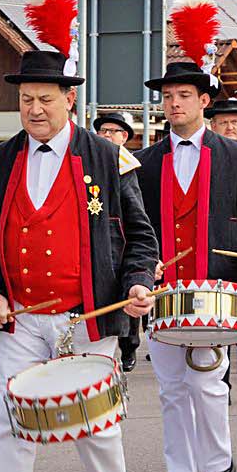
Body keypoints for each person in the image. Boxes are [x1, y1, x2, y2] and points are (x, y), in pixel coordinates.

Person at [0, 0, 159, 472]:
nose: (35, 109)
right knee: (7, 425)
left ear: (69, 100)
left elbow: (140, 238)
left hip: (84, 317)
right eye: (27, 100)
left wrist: (139, 281)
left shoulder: (108, 158)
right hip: (17, 317)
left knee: (93, 426)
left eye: (46, 98)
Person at [132, 0, 237, 472]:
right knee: (169, 392)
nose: (173, 105)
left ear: (204, 100)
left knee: (208, 386)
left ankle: (218, 468)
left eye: (183, 96)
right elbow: (134, 231)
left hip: (216, 292)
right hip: (165, 292)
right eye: (167, 97)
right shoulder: (143, 162)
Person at [94, 110, 144, 373]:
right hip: (104, 243)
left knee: (130, 296)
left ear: (124, 137)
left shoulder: (129, 164)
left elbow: (139, 213)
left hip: (126, 242)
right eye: (103, 131)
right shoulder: (92, 159)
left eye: (113, 131)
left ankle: (130, 347)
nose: (107, 135)